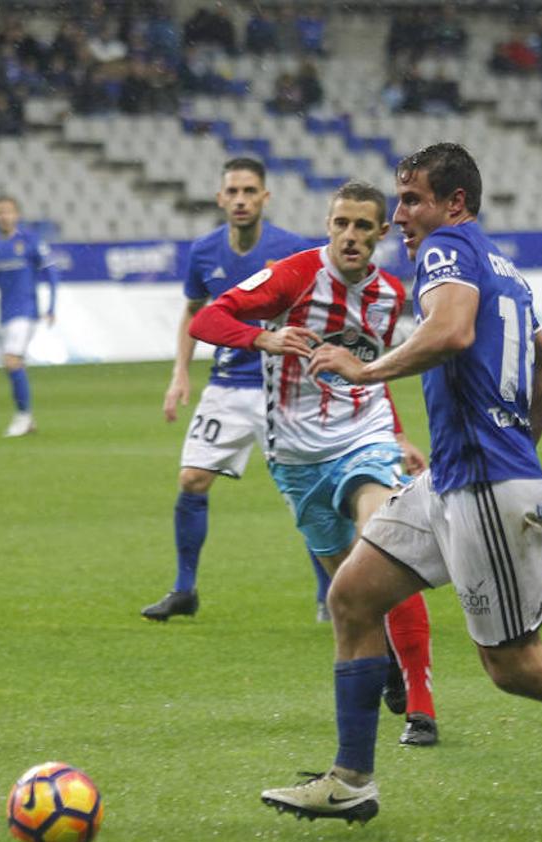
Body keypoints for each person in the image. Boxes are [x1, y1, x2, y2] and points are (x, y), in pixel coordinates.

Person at [258, 142, 542, 827]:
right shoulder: (505, 269)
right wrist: (516, 447)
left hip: (482, 483)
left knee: (514, 666)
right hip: (457, 478)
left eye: (411, 200)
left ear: (454, 203)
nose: (399, 216)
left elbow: (450, 332)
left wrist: (366, 371)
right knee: (351, 596)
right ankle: (351, 780)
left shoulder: (445, 250)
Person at [188, 181, 438, 746]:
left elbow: (371, 370)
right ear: (328, 226)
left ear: (380, 233)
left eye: (362, 226)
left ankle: (421, 708)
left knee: (388, 548)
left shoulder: (390, 293)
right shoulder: (293, 275)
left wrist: (398, 434)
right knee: (350, 593)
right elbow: (207, 321)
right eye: (341, 223)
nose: (350, 235)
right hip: (297, 458)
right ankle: (388, 663)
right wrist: (261, 340)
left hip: (364, 439)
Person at [141, 158, 323, 623]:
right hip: (226, 385)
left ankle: (329, 596)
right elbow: (193, 311)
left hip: (282, 388)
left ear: (265, 197)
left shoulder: (293, 250)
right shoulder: (204, 251)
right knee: (192, 479)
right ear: (220, 198)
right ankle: (184, 590)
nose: (241, 200)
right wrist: (180, 372)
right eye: (233, 192)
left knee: (307, 495)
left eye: (249, 191)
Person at [0, 196, 58, 437]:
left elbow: (51, 273)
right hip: (5, 315)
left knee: (11, 361)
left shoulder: (30, 241)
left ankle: (22, 417)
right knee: (12, 366)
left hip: (26, 312)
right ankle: (27, 419)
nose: (4, 216)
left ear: (17, 215)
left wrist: (52, 307)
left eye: (8, 211)